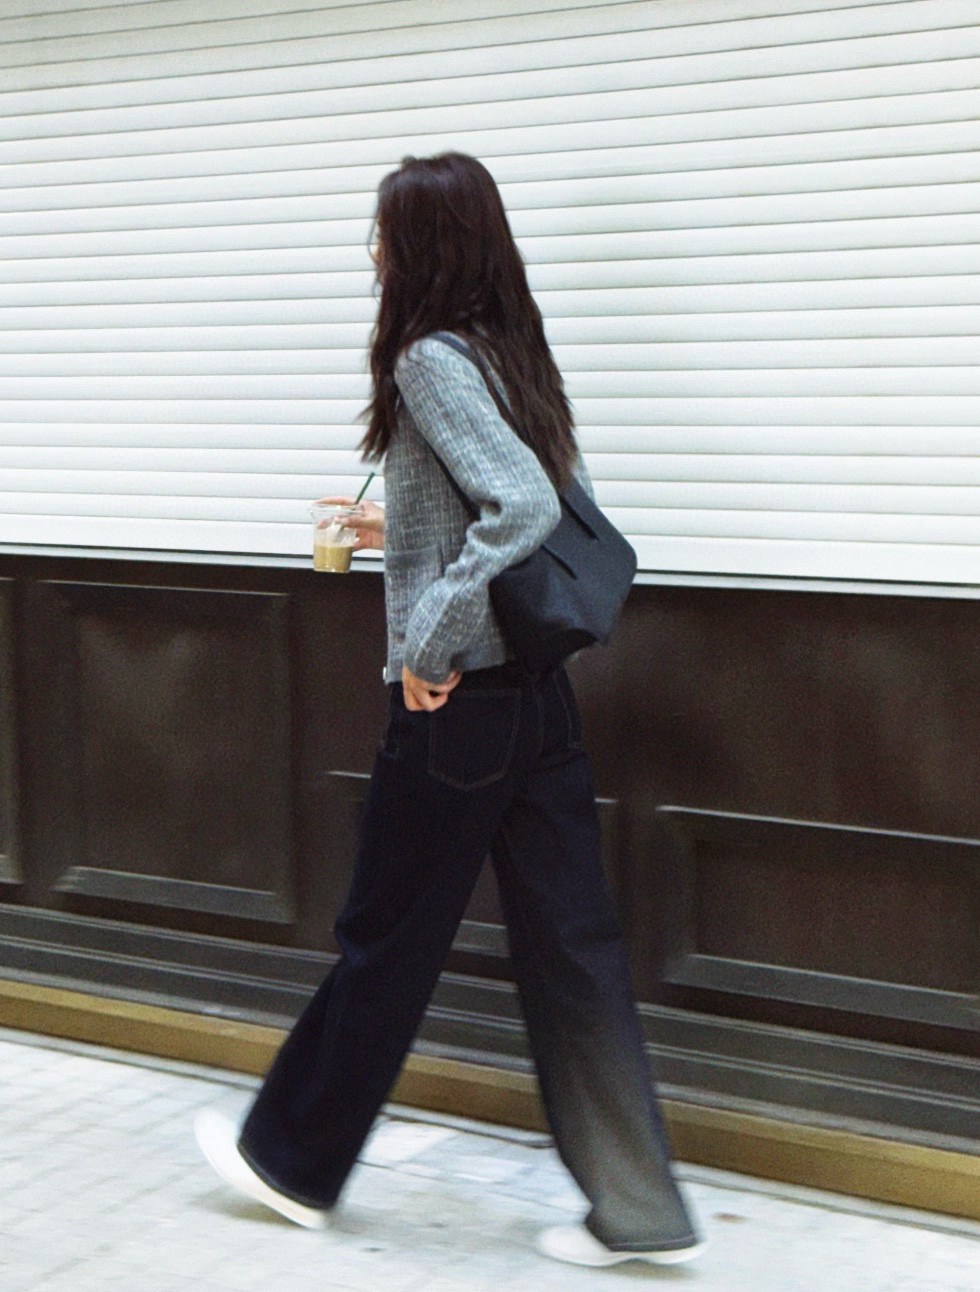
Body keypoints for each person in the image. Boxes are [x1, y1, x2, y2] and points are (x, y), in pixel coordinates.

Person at [195, 152, 703, 1269]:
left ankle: (291, 1161)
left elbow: (519, 505)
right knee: (574, 948)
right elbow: (534, 499)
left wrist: (428, 635)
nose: (373, 253)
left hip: (459, 704)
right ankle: (637, 1207)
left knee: (384, 938)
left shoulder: (427, 357)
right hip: (539, 701)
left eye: (384, 233)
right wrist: (402, 535)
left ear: (426, 244)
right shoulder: (511, 350)